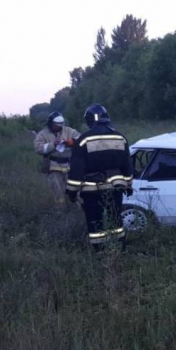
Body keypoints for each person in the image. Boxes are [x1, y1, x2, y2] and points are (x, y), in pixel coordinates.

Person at [66, 104, 134, 250]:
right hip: (116, 188)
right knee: (116, 220)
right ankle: (120, 248)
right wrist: (128, 185)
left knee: (94, 222)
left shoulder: (83, 140)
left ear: (90, 120)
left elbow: (76, 170)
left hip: (92, 191)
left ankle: (99, 252)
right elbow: (128, 165)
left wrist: (72, 192)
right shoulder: (120, 137)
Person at [34, 111, 81, 205]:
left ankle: (77, 207)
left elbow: (80, 138)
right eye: (56, 125)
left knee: (75, 189)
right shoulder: (42, 134)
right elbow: (38, 148)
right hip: (53, 167)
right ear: (51, 123)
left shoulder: (69, 131)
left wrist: (72, 142)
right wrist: (53, 144)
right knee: (57, 191)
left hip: (69, 166)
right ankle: (60, 210)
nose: (59, 127)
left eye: (61, 124)